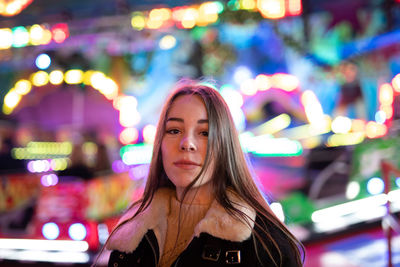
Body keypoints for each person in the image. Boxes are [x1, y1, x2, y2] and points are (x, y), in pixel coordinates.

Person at [101, 80, 304, 267]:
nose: (186, 143)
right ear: (160, 144)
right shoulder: (131, 235)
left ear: (225, 146)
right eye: (174, 130)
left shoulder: (265, 244)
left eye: (204, 133)